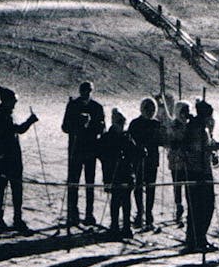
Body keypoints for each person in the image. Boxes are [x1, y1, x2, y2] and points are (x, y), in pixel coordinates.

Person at [0, 86, 38, 233]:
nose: (14, 104)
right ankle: (4, 220)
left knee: (13, 190)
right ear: (6, 101)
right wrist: (31, 120)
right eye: (13, 101)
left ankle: (11, 219)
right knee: (4, 190)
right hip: (5, 160)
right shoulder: (1, 115)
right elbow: (17, 130)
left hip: (10, 159)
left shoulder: (3, 114)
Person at [180, 99, 219, 252]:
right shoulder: (197, 128)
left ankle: (196, 238)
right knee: (203, 207)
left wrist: (213, 151)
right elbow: (201, 147)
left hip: (200, 169)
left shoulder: (199, 127)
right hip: (198, 172)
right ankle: (197, 239)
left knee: (198, 207)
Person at [61, 81, 105, 227]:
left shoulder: (97, 107)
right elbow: (65, 127)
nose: (86, 93)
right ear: (80, 91)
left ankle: (89, 213)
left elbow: (101, 128)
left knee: (89, 183)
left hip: (91, 150)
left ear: (92, 92)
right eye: (83, 91)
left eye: (88, 91)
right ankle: (73, 213)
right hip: (75, 149)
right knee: (73, 182)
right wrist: (78, 123)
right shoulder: (72, 105)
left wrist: (92, 124)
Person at [99, 109, 141, 237]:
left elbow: (133, 151)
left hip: (126, 173)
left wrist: (140, 152)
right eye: (119, 122)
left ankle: (126, 226)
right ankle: (115, 225)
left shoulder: (126, 136)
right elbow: (101, 154)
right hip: (113, 173)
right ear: (114, 122)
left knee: (127, 200)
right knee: (116, 200)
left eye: (123, 123)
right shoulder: (107, 137)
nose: (121, 125)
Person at [128, 97, 166, 231]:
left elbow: (161, 140)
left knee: (151, 188)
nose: (150, 112)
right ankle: (140, 212)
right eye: (147, 109)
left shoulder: (156, 124)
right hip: (138, 160)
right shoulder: (135, 123)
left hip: (152, 160)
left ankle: (149, 214)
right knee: (138, 187)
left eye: (152, 110)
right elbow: (129, 141)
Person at [166, 99, 191, 225]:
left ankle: (188, 208)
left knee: (188, 185)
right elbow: (171, 141)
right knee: (177, 184)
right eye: (183, 112)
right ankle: (179, 206)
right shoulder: (173, 125)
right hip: (176, 160)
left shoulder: (190, 125)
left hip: (188, 160)